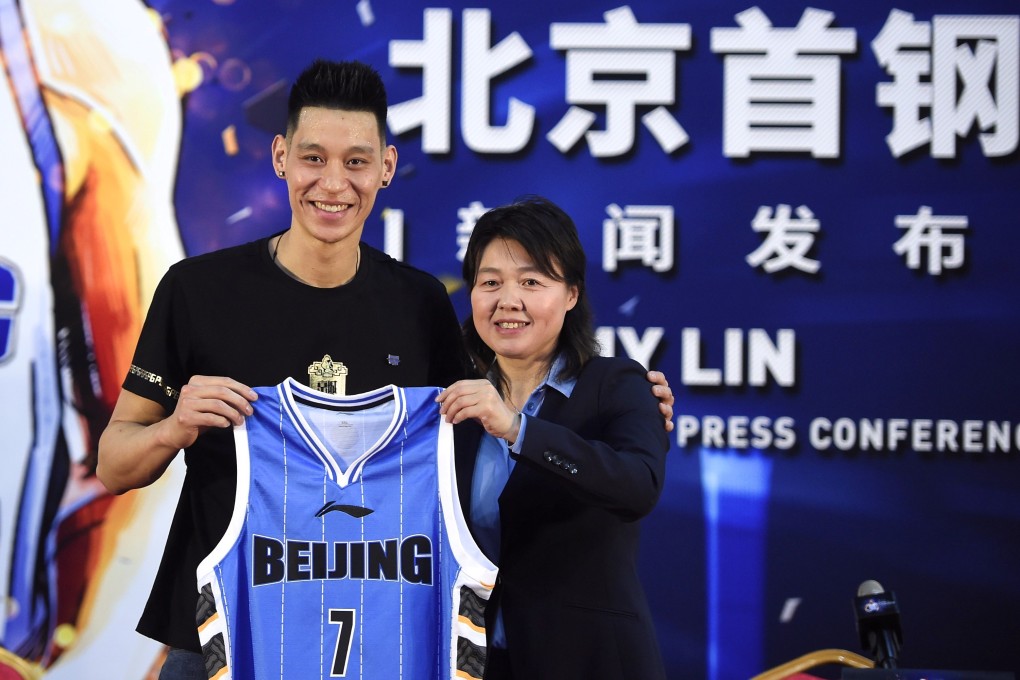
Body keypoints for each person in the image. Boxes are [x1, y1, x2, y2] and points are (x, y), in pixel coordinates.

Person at [96, 60, 674, 679]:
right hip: (221, 631)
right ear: (280, 157)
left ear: (387, 168)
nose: (333, 184)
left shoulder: (419, 302)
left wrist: (623, 398)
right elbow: (112, 464)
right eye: (314, 159)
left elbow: (494, 404)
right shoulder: (197, 290)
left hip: (378, 636)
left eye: (356, 162)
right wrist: (171, 429)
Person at [437, 196, 670, 680]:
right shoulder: (452, 405)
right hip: (472, 663)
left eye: (531, 282)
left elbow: (637, 486)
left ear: (571, 295)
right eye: (490, 282)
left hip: (588, 661)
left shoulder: (618, 384)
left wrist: (519, 430)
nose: (508, 301)